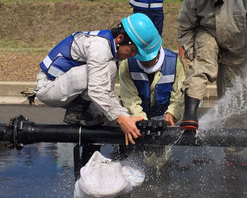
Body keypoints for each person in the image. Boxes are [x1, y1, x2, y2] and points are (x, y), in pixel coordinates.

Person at [178, 0, 247, 167]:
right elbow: (185, 26)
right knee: (203, 64)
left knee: (235, 97)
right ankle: (190, 115)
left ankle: (233, 152)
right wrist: (193, 54)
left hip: (237, 45)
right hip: (208, 34)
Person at [35, 13, 161, 146]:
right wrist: (121, 119)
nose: (133, 55)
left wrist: (127, 118)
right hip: (48, 86)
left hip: (65, 85)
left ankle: (81, 114)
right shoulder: (99, 48)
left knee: (106, 115)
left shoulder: (110, 51)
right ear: (120, 38)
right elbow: (97, 90)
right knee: (105, 82)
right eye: (132, 50)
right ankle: (75, 112)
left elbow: (106, 93)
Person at [119, 45, 185, 126]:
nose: (146, 62)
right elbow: (129, 98)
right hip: (136, 119)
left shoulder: (174, 62)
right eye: (142, 59)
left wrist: (172, 113)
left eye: (149, 60)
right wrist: (141, 119)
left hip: (165, 120)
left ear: (158, 51)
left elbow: (179, 96)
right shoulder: (127, 64)